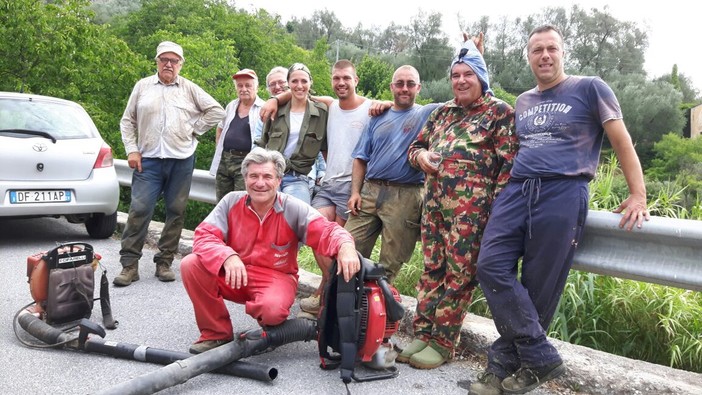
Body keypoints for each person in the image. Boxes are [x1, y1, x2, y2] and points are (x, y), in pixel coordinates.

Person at [470, 25, 649, 395]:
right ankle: (540, 355)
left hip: (563, 191)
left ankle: (502, 364)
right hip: (518, 189)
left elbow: (621, 140)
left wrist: (638, 195)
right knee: (489, 265)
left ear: (562, 53)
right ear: (529, 57)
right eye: (537, 50)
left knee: (539, 285)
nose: (545, 55)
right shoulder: (523, 101)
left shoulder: (590, 87)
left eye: (552, 48)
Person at [399, 38, 518, 370]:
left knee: (458, 275)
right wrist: (422, 156)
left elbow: (509, 169)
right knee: (431, 271)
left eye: (468, 74)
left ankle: (442, 342)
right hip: (434, 209)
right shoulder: (442, 113)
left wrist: (497, 215)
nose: (461, 80)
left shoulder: (500, 113)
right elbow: (414, 149)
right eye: (456, 75)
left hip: (472, 217)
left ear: (481, 78)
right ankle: (422, 334)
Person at [180, 147, 360, 354]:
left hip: (276, 276)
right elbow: (204, 235)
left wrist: (346, 246)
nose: (260, 183)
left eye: (267, 176)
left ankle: (270, 330)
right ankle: (216, 334)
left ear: (278, 181)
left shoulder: (293, 208)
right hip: (235, 273)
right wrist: (227, 256)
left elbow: (327, 231)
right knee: (191, 264)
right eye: (253, 176)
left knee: (272, 311)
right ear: (245, 178)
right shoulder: (230, 201)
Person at [115, 41, 225, 286]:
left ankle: (164, 261)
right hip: (149, 160)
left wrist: (193, 129)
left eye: (174, 61)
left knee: (176, 212)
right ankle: (129, 265)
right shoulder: (143, 86)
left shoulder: (189, 88)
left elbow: (217, 111)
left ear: (180, 64)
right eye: (164, 59)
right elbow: (127, 121)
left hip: (181, 159)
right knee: (139, 210)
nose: (168, 64)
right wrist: (132, 150)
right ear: (156, 61)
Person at [344, 65, 440, 283]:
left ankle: (378, 313)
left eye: (410, 84)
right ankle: (336, 307)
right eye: (399, 83)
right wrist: (355, 192)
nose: (404, 88)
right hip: (370, 191)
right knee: (346, 247)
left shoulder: (427, 113)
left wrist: (474, 56)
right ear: (391, 87)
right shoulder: (377, 117)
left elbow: (465, 96)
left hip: (405, 196)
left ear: (419, 88)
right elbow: (360, 158)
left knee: (389, 265)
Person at [257, 63, 328, 205]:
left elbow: (325, 148)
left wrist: (328, 174)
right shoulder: (275, 109)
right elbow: (263, 144)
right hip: (270, 175)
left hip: (298, 178)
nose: (299, 85)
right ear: (288, 83)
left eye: (304, 81)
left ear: (310, 82)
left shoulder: (321, 112)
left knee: (297, 219)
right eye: (294, 81)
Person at [209, 68, 266, 201]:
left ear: (256, 87)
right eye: (240, 85)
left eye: (248, 85)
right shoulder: (231, 105)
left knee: (241, 202)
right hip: (225, 160)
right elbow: (220, 128)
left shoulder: (263, 108)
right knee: (222, 202)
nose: (243, 89)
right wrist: (219, 149)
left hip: (246, 161)